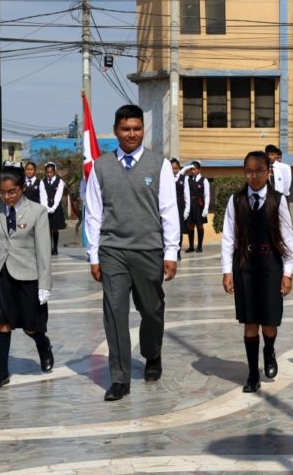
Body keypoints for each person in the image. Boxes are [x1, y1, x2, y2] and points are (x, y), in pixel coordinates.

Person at [84, 104, 180, 402]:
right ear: (116, 131)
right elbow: (93, 214)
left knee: (151, 311)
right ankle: (120, 378)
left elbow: (168, 210)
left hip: (148, 250)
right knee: (115, 313)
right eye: (126, 129)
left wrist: (171, 251)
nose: (132, 134)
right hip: (113, 250)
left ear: (143, 130)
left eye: (137, 129)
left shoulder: (159, 165)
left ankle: (152, 355)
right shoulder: (101, 167)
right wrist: (94, 256)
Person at [222, 151, 293, 393]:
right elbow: (229, 237)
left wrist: (287, 273)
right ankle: (253, 374)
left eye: (258, 171)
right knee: (250, 322)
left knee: (269, 323)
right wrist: (227, 271)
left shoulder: (278, 200)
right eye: (248, 171)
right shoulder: (237, 200)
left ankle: (269, 349)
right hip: (245, 266)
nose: (253, 176)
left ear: (268, 172)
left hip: (271, 266)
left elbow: (288, 239)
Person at [0, 165, 54, 390]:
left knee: (31, 326)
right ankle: (2, 372)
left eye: (12, 191)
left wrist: (45, 284)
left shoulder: (37, 211)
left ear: (22, 188)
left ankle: (43, 345)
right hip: (0, 273)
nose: (7, 196)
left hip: (27, 274)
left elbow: (43, 250)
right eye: (2, 192)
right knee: (0, 323)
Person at [183, 161, 210, 253]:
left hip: (199, 205)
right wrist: (186, 168)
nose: (192, 171)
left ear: (199, 170)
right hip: (190, 205)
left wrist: (206, 208)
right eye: (191, 169)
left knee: (199, 226)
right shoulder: (187, 179)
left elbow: (207, 195)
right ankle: (191, 246)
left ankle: (199, 246)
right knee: (190, 226)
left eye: (194, 169)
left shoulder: (204, 180)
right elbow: (180, 175)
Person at [43, 162, 66, 256]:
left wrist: (53, 207)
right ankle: (49, 248)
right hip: (46, 207)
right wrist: (46, 206)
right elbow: (42, 195)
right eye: (47, 172)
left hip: (55, 207)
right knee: (48, 229)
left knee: (55, 229)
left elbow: (58, 195)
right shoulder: (43, 182)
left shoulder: (59, 182)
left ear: (54, 172)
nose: (49, 174)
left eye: (51, 172)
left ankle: (55, 248)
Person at [171, 158, 186, 260]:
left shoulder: (183, 178)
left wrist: (187, 210)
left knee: (179, 230)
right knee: (170, 229)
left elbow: (187, 195)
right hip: (170, 205)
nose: (174, 170)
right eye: (172, 168)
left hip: (180, 206)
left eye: (176, 168)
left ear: (179, 168)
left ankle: (178, 252)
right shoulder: (166, 178)